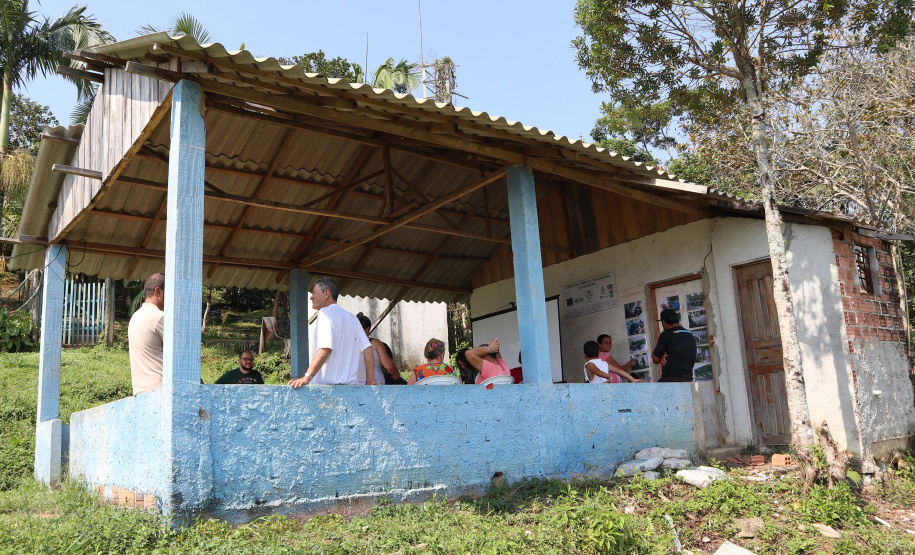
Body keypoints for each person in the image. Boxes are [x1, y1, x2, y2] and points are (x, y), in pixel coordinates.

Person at [288, 277, 374, 387]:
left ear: (326, 293)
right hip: (351, 389)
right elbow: (367, 348)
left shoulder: (325, 313)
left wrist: (307, 378)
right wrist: (370, 380)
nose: (311, 297)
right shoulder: (352, 318)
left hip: (327, 390)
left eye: (314, 293)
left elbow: (325, 349)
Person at [128, 273, 165, 395]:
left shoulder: (135, 317)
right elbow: (181, 354)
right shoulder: (160, 317)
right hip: (160, 390)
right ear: (158, 292)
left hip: (140, 391)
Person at [355, 312, 403, 385]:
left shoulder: (347, 344)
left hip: (354, 386)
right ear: (368, 329)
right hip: (375, 386)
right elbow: (389, 366)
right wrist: (396, 375)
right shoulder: (375, 343)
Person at [652, 308, 697, 383]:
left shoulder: (666, 335)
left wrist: (660, 339)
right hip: (688, 379)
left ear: (664, 322)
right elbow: (678, 351)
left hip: (671, 380)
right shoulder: (689, 334)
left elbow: (655, 359)